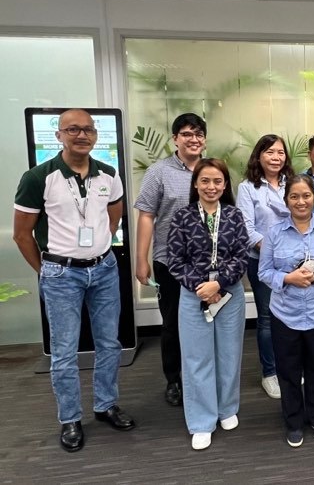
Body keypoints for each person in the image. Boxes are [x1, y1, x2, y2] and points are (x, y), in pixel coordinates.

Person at [13, 108, 135, 453]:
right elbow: (22, 235)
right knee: (65, 351)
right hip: (60, 272)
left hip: (104, 268)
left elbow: (114, 216)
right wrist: (47, 270)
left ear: (96, 135)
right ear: (59, 135)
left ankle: (106, 404)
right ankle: (69, 418)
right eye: (73, 130)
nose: (81, 136)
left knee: (109, 343)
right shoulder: (38, 177)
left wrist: (98, 245)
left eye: (87, 130)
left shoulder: (108, 174)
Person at [258, 175, 314, 447]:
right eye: (294, 196)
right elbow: (264, 272)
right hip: (285, 313)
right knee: (288, 370)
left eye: (306, 196)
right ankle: (294, 420)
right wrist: (289, 279)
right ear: (287, 200)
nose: (301, 201)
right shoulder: (274, 233)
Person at [167, 158, 249, 450]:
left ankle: (227, 408)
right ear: (196, 184)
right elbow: (174, 261)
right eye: (205, 181)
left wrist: (219, 283)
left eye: (217, 181)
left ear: (225, 185)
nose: (211, 186)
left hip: (229, 294)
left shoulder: (235, 216)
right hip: (193, 295)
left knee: (229, 354)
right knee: (197, 358)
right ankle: (202, 420)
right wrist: (202, 288)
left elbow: (242, 256)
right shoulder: (182, 217)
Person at [134, 112, 207, 408]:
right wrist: (141, 259)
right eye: (187, 134)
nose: (194, 139)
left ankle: (200, 376)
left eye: (199, 133)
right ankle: (174, 380)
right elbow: (147, 216)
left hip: (207, 264)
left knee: (205, 320)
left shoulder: (211, 170)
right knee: (174, 323)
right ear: (175, 138)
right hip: (171, 261)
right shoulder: (159, 172)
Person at [236, 134, 295, 400]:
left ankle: (289, 367)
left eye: (280, 152)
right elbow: (246, 229)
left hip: (295, 264)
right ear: (259, 155)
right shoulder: (248, 188)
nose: (275, 157)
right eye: (270, 152)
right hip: (262, 263)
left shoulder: (292, 183)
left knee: (293, 317)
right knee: (268, 319)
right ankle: (270, 373)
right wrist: (274, 252)